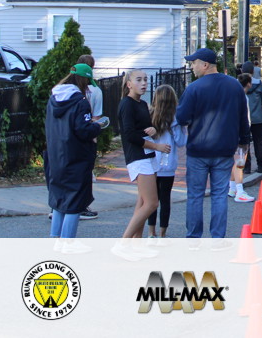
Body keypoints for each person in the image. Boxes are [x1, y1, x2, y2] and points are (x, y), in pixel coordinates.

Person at [176, 48, 251, 244]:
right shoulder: (234, 86)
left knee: (195, 195)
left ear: (205, 65)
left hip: (198, 149)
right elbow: (243, 117)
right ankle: (217, 239)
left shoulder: (194, 88)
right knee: (219, 195)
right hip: (224, 149)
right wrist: (244, 142)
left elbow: (181, 117)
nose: (192, 67)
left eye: (194, 63)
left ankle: (194, 238)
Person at [45, 64, 103, 254]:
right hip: (76, 156)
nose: (88, 87)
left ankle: (56, 239)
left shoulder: (53, 99)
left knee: (59, 198)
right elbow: (83, 130)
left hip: (56, 155)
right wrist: (97, 126)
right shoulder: (80, 102)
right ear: (83, 80)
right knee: (75, 199)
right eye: (87, 83)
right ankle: (68, 242)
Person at [112, 70, 169, 261]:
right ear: (129, 84)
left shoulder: (143, 104)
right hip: (137, 157)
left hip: (148, 156)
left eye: (145, 80)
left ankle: (137, 245)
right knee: (152, 203)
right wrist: (157, 146)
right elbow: (129, 135)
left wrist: (152, 130)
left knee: (143, 202)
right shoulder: (126, 104)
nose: (143, 83)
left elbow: (142, 130)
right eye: (138, 80)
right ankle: (123, 244)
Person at [146, 84, 186, 243]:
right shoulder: (174, 119)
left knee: (151, 200)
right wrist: (183, 129)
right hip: (168, 164)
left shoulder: (149, 116)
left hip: (151, 163)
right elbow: (181, 142)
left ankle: (151, 232)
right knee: (165, 199)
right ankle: (163, 233)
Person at [74, 54, 102, 220]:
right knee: (85, 172)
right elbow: (96, 118)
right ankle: (82, 206)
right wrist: (94, 137)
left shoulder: (67, 90)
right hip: (87, 135)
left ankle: (59, 206)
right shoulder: (95, 91)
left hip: (69, 138)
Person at [240, 72, 262, 174]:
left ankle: (246, 167)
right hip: (257, 118)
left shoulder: (238, 84)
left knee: (244, 143)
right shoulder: (259, 84)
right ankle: (260, 165)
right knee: (258, 142)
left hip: (243, 119)